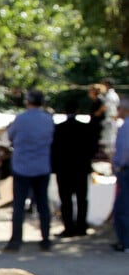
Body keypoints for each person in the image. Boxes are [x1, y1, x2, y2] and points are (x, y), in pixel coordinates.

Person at [3, 89, 55, 252]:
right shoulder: (48, 120)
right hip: (42, 167)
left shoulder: (20, 119)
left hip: (22, 167)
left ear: (28, 101)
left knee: (19, 206)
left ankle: (16, 241)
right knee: (43, 205)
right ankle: (46, 239)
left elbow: (9, 137)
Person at [51, 99, 94, 237]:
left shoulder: (59, 128)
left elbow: (54, 149)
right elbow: (91, 148)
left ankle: (69, 228)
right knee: (82, 199)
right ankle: (81, 227)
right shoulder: (84, 128)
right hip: (80, 169)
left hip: (64, 170)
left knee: (66, 200)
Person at [112, 98, 129, 252]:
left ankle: (125, 242)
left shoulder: (126, 127)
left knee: (123, 209)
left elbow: (124, 151)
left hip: (126, 171)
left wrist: (118, 166)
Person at [102, 78, 120, 157]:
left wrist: (97, 113)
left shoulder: (110, 95)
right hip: (112, 118)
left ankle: (110, 156)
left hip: (110, 118)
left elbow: (106, 107)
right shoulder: (114, 94)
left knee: (110, 137)